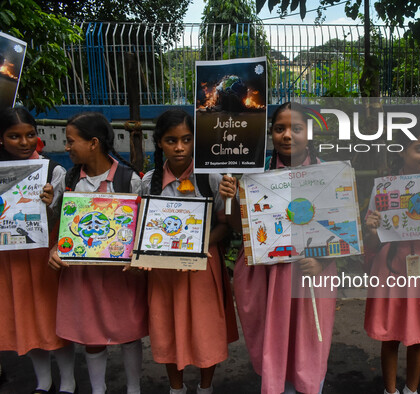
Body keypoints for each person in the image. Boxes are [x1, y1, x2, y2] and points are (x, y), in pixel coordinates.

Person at [231, 102, 336, 394]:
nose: (287, 135)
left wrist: (321, 260)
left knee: (310, 341)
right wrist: (231, 198)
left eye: (296, 128)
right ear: (271, 133)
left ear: (309, 133)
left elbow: (341, 227)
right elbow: (241, 228)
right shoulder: (255, 174)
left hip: (312, 270)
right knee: (274, 341)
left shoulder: (328, 174)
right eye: (280, 129)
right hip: (269, 275)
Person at [139, 109, 238, 394]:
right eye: (171, 140)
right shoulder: (148, 182)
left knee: (206, 330)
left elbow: (225, 226)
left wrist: (201, 244)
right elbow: (143, 229)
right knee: (167, 328)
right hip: (163, 272)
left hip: (203, 268)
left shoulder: (213, 178)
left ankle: (205, 387)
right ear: (159, 143)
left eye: (186, 139)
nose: (180, 147)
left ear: (196, 140)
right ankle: (176, 388)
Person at [48, 112, 146, 394]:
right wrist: (56, 248)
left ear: (93, 143)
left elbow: (141, 226)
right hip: (84, 274)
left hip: (122, 275)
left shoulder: (130, 180)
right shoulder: (70, 181)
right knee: (91, 335)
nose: (67, 147)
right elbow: (63, 227)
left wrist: (138, 256)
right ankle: (97, 389)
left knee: (129, 334)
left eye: (70, 141)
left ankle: (133, 388)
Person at [364, 119, 420, 394]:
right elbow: (372, 237)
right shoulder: (385, 189)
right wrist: (372, 227)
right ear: (402, 152)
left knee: (419, 337)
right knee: (390, 334)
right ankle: (390, 390)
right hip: (392, 268)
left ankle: (411, 389)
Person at [0, 107, 77, 394]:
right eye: (14, 136)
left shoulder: (52, 170)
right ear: (1, 139)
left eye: (30, 134)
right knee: (25, 316)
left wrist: (49, 204)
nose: (24, 142)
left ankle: (68, 381)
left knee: (53, 317)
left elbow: (65, 217)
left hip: (45, 254)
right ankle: (43, 381)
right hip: (10, 256)